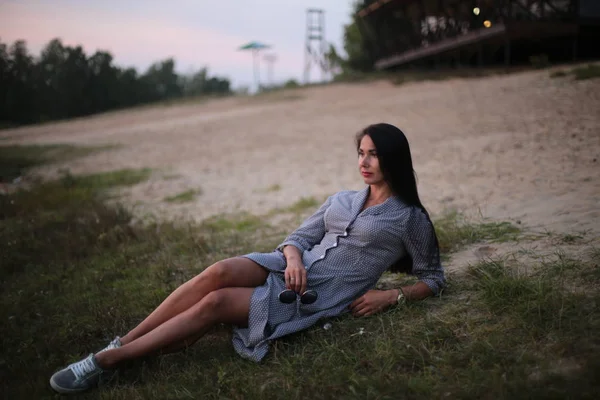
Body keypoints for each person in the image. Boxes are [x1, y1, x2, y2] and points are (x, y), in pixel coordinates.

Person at [49, 123, 446, 394]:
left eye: (373, 155)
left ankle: (108, 360)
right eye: (360, 153)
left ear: (392, 158)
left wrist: (391, 297)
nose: (363, 162)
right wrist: (291, 259)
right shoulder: (342, 199)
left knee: (217, 304)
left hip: (317, 295)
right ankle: (127, 340)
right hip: (289, 267)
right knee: (220, 271)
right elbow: (298, 238)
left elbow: (433, 277)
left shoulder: (409, 218)